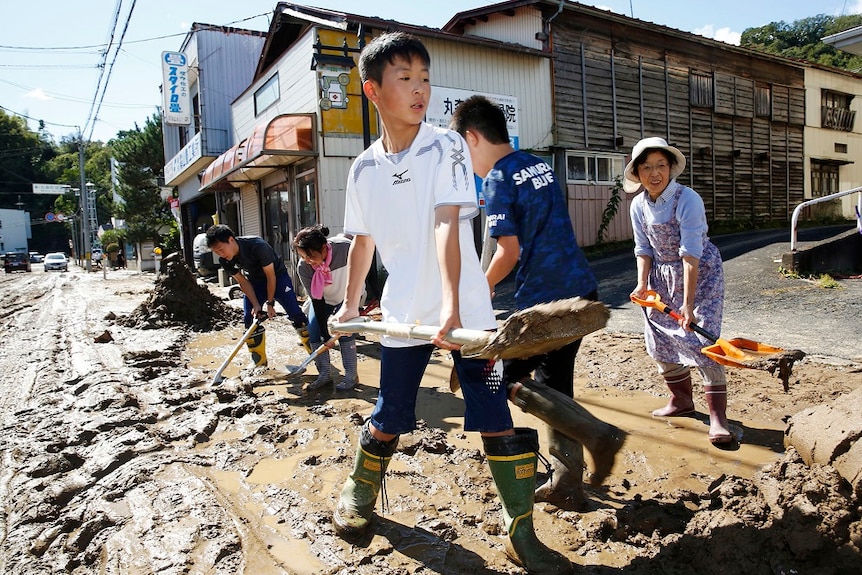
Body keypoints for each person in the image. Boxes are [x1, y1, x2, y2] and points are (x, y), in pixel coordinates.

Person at [331, 32, 573, 574]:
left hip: (466, 315)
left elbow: (447, 224)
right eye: (404, 78)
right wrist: (350, 307)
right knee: (391, 413)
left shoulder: (445, 146)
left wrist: (453, 309)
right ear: (373, 90)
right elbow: (363, 242)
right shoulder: (363, 169)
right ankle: (359, 492)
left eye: (424, 77)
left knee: (493, 415)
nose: (419, 89)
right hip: (402, 315)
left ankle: (521, 533)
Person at [450, 95, 626, 511]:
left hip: (545, 305)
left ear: (473, 138)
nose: (466, 162)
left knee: (500, 376)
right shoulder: (539, 165)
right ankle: (568, 484)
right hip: (582, 292)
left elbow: (506, 253)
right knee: (554, 386)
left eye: (462, 150)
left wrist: (479, 288)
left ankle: (600, 435)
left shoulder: (496, 179)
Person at [625, 137, 733, 445]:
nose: (654, 173)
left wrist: (687, 305)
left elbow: (690, 253)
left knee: (703, 340)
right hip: (661, 276)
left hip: (699, 273)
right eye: (647, 167)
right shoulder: (638, 205)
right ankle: (681, 401)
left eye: (660, 165)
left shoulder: (688, 199)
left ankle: (717, 419)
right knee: (658, 339)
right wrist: (642, 284)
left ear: (671, 168)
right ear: (638, 173)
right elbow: (643, 248)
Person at [206, 224, 311, 368]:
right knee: (249, 318)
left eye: (221, 249)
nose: (220, 254)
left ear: (231, 240)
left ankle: (316, 354)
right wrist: (256, 304)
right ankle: (259, 363)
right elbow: (243, 282)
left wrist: (269, 303)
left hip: (278, 278)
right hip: (255, 282)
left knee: (296, 315)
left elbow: (271, 276)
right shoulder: (225, 260)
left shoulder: (257, 246)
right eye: (216, 252)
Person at [293, 225, 359, 391]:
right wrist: (324, 334)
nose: (307, 260)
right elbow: (317, 301)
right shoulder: (304, 267)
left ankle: (351, 375)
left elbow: (364, 267)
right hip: (323, 300)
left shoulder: (344, 249)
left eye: (309, 255)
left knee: (344, 331)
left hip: (346, 298)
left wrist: (372, 293)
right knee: (314, 330)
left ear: (323, 248)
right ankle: (324, 374)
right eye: (303, 256)